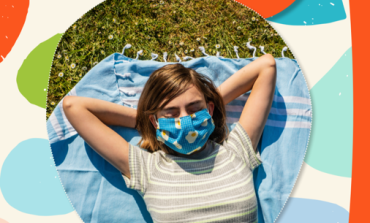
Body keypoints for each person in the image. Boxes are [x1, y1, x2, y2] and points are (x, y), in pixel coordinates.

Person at [63, 53, 276, 222]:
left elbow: (266, 66)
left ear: (208, 109)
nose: (185, 120)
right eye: (171, 114)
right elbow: (74, 107)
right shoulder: (146, 168)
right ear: (156, 121)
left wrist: (212, 106)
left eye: (194, 109)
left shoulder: (236, 150)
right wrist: (147, 122)